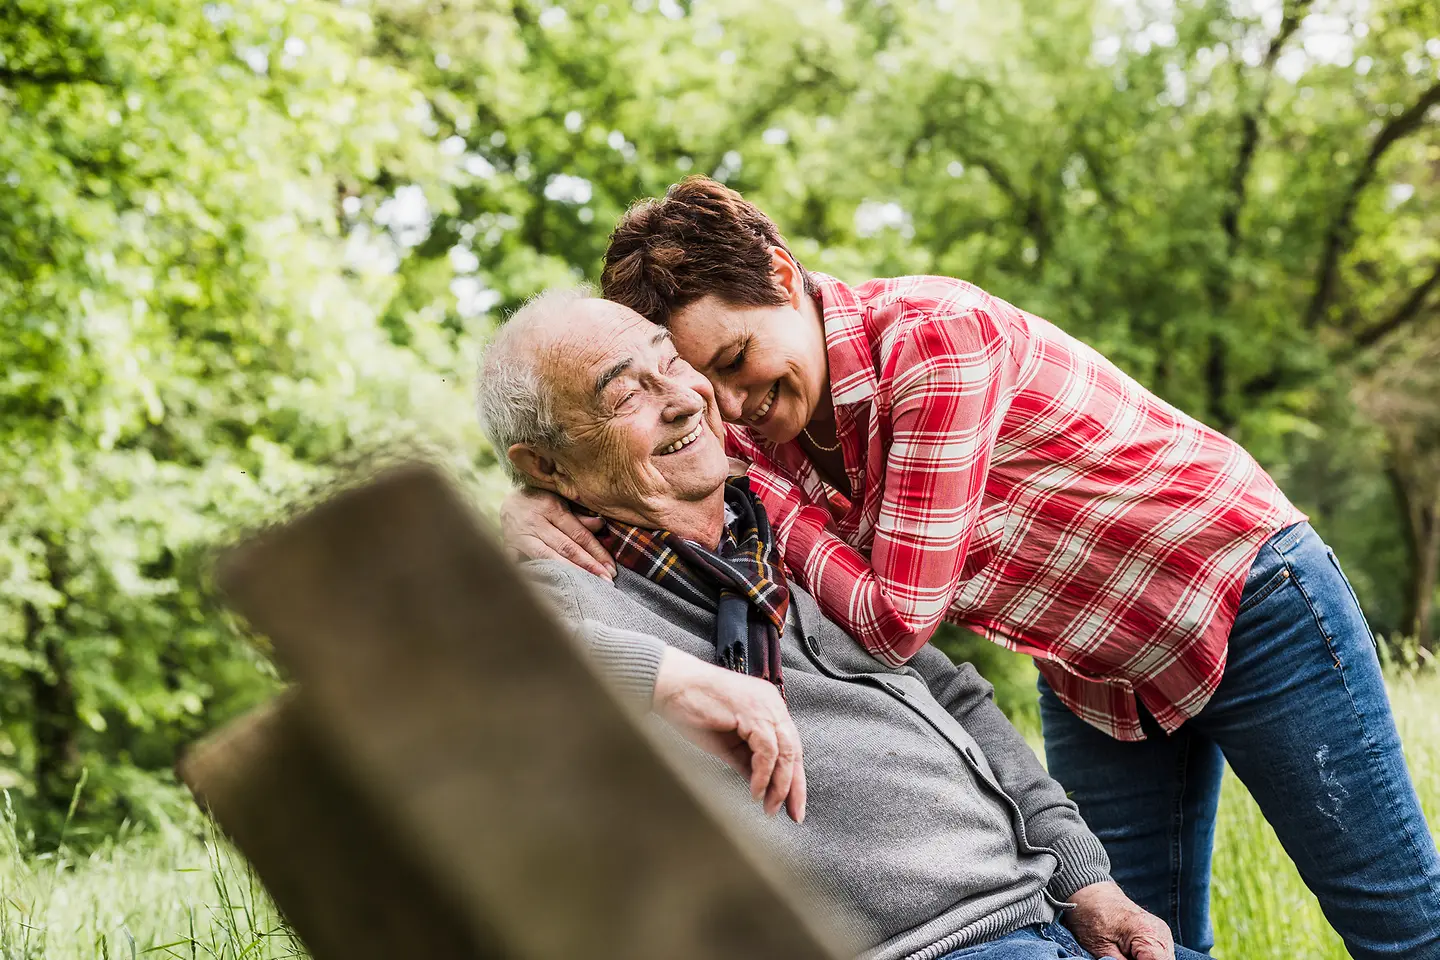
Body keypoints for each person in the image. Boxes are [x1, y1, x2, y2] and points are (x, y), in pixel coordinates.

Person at [501, 178, 1440, 958]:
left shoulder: (933, 340)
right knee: (1141, 937)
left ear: (784, 276)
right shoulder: (771, 431)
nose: (736, 406)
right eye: (714, 385)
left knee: (1394, 923)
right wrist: (533, 503)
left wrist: (743, 477)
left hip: (1236, 597)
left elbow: (895, 621)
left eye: (741, 362)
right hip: (1091, 660)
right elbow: (629, 477)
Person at [475, 290, 1208, 960]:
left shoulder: (785, 533)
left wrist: (1090, 886)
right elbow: (475, 665)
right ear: (545, 464)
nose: (681, 400)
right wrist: (670, 678)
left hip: (1044, 912)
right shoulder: (562, 587)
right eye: (625, 394)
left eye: (672, 364)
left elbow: (957, 703)